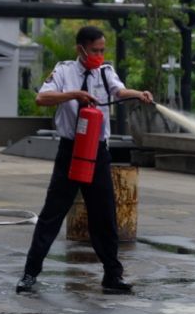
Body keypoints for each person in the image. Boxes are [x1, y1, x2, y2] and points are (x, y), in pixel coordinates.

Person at [16, 26, 154, 295]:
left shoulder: (105, 72)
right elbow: (41, 98)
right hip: (70, 150)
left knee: (104, 216)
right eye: (94, 51)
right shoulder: (64, 70)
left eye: (102, 50)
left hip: (97, 153)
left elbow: (119, 91)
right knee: (52, 215)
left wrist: (138, 93)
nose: (99, 55)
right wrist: (74, 95)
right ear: (81, 49)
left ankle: (112, 276)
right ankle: (30, 274)